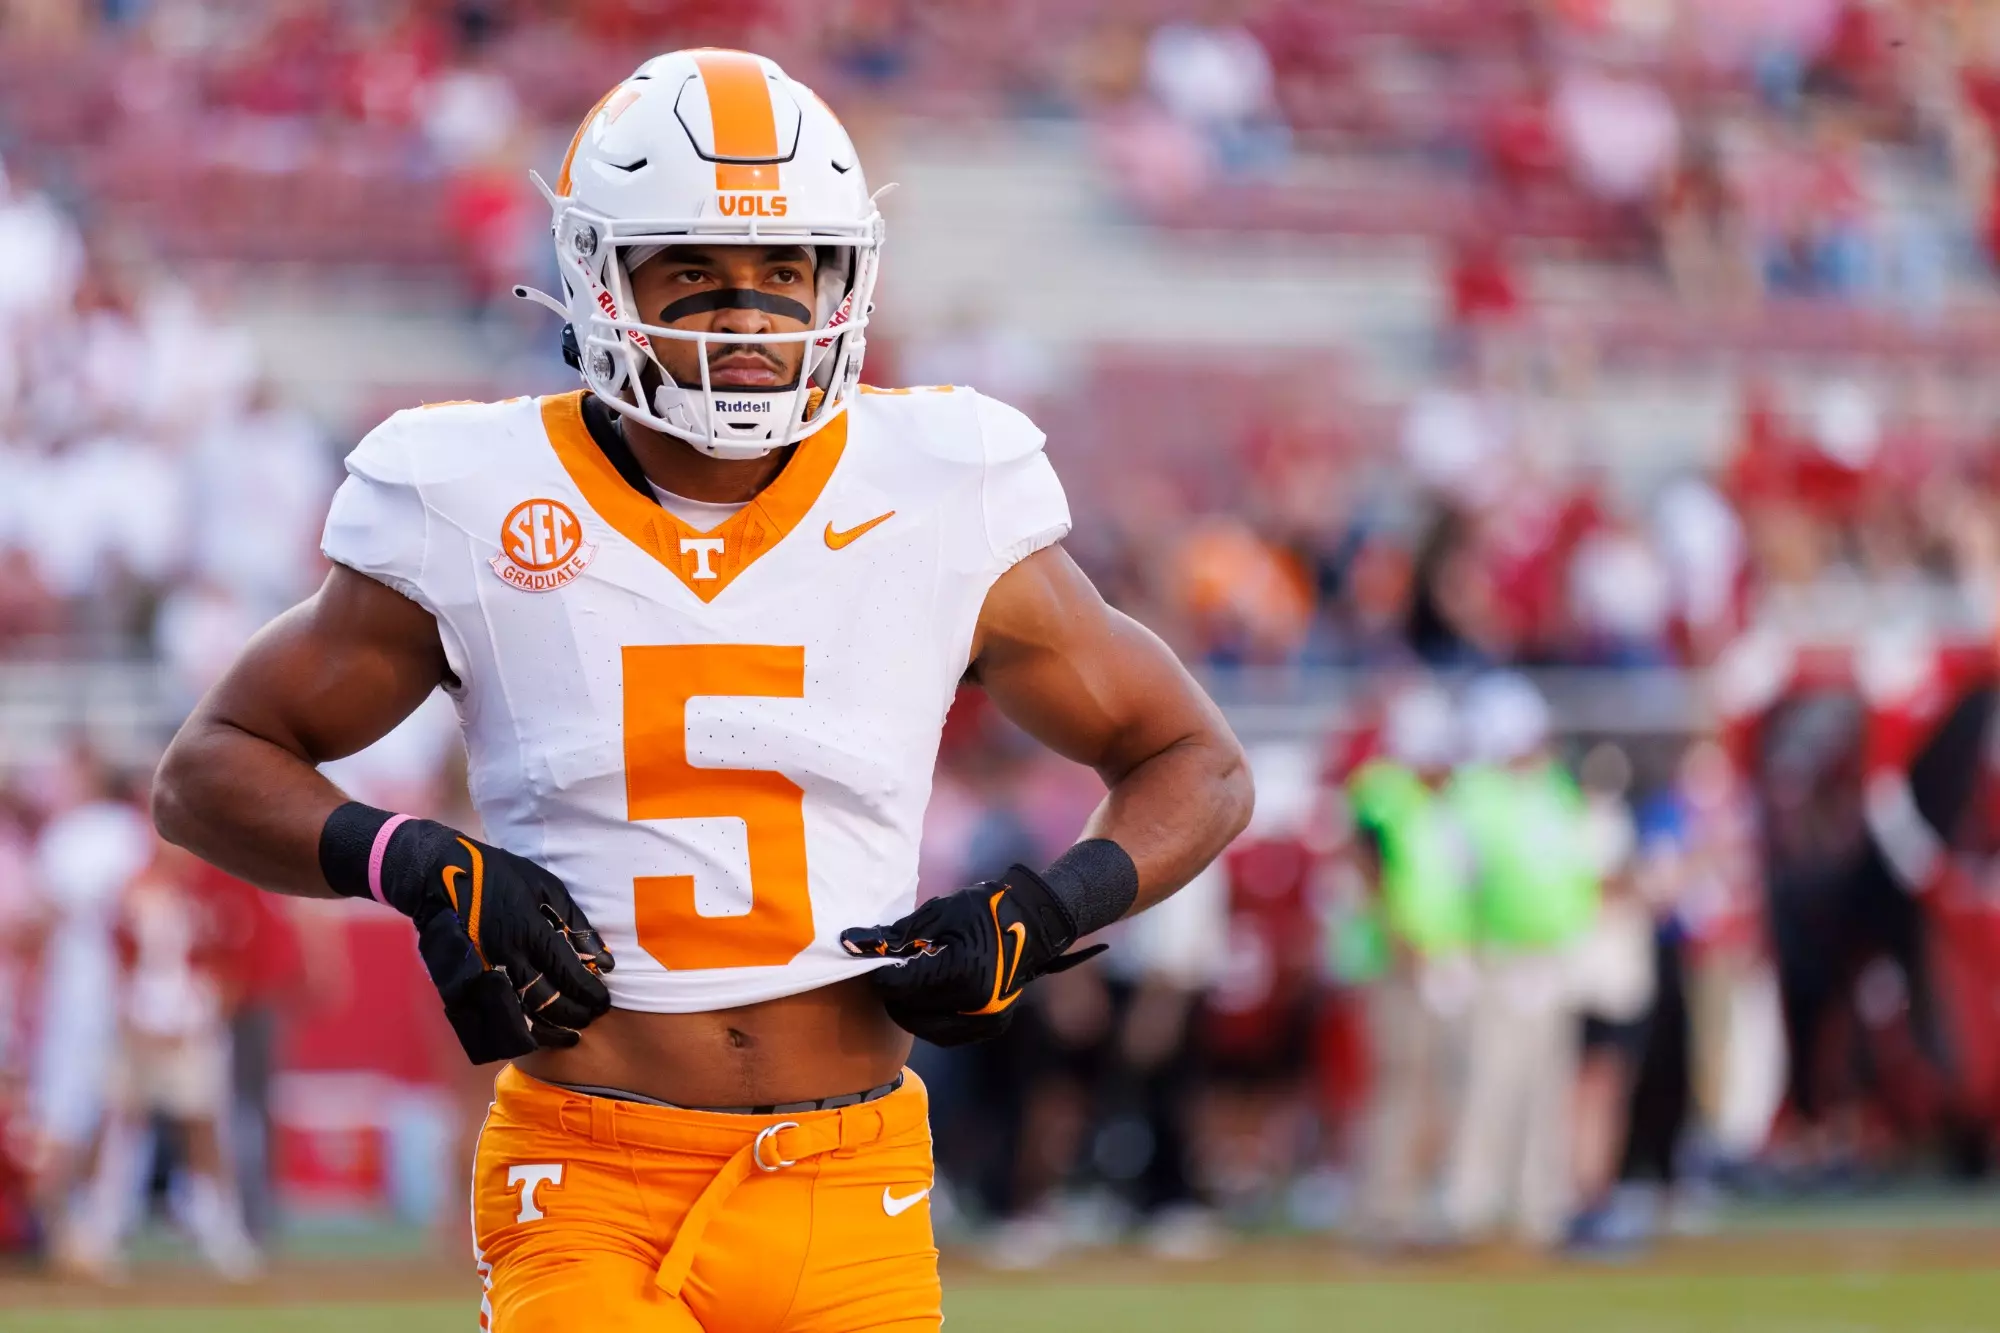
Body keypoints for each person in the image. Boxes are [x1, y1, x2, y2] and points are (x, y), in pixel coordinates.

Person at [153, 48, 1252, 1333]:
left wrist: (1040, 906)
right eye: (694, 273)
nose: (746, 317)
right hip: (589, 1173)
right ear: (600, 277)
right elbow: (209, 767)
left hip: (854, 1176)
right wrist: (410, 859)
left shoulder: (940, 482)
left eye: (784, 272)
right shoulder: (474, 494)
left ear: (840, 278)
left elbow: (1197, 762)